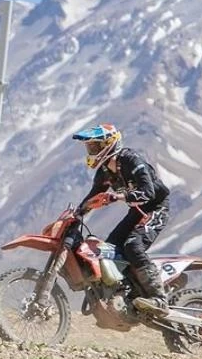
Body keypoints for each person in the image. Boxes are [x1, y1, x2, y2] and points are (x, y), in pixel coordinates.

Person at [72, 123, 171, 318]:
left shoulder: (132, 160)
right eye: (89, 147)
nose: (91, 150)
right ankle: (127, 293)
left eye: (94, 146)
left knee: (133, 245)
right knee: (110, 248)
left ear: (109, 144)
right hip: (137, 211)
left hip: (156, 208)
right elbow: (93, 196)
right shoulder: (104, 173)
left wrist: (118, 197)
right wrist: (77, 214)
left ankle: (160, 299)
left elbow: (149, 192)